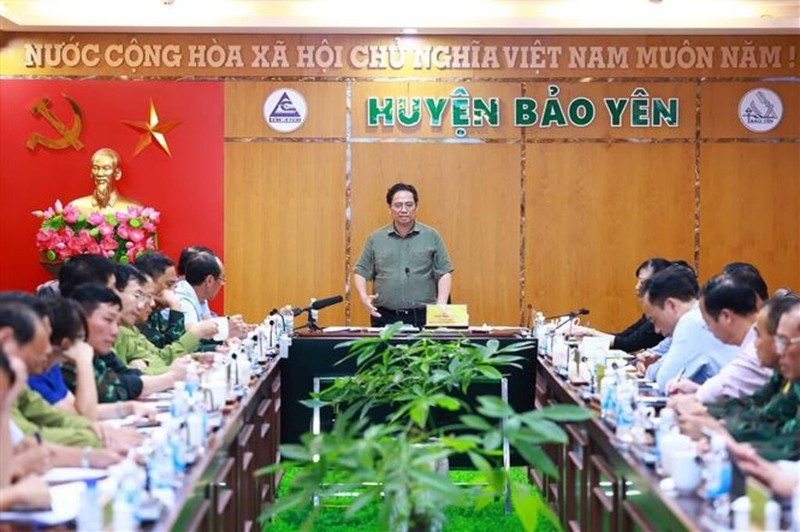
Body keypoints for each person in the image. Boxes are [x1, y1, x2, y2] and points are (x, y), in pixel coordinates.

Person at [353, 183, 454, 328]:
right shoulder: (375, 239)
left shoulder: (431, 236)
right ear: (390, 208)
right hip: (385, 316)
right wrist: (363, 297)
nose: (404, 210)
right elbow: (361, 271)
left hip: (423, 316)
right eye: (398, 205)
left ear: (416, 207)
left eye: (409, 205)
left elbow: (444, 272)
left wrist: (441, 304)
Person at [667, 272, 772, 401]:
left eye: (707, 323)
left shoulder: (759, 349)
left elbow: (717, 390)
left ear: (726, 317)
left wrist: (691, 398)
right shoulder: (756, 337)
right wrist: (696, 390)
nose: (709, 330)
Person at [639, 264, 737, 391]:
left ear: (671, 306)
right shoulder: (696, 316)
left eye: (654, 320)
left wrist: (652, 368)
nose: (656, 330)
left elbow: (664, 381)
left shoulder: (691, 321)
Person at [574, 257, 670, 352]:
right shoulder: (651, 313)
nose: (637, 287)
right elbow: (624, 336)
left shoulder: (662, 314)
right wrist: (591, 335)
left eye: (643, 282)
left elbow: (628, 344)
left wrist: (590, 333)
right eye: (638, 281)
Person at [68, 148, 141, 215]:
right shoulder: (75, 208)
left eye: (106, 168)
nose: (99, 174)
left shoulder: (135, 210)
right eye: (95, 168)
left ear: (117, 174)